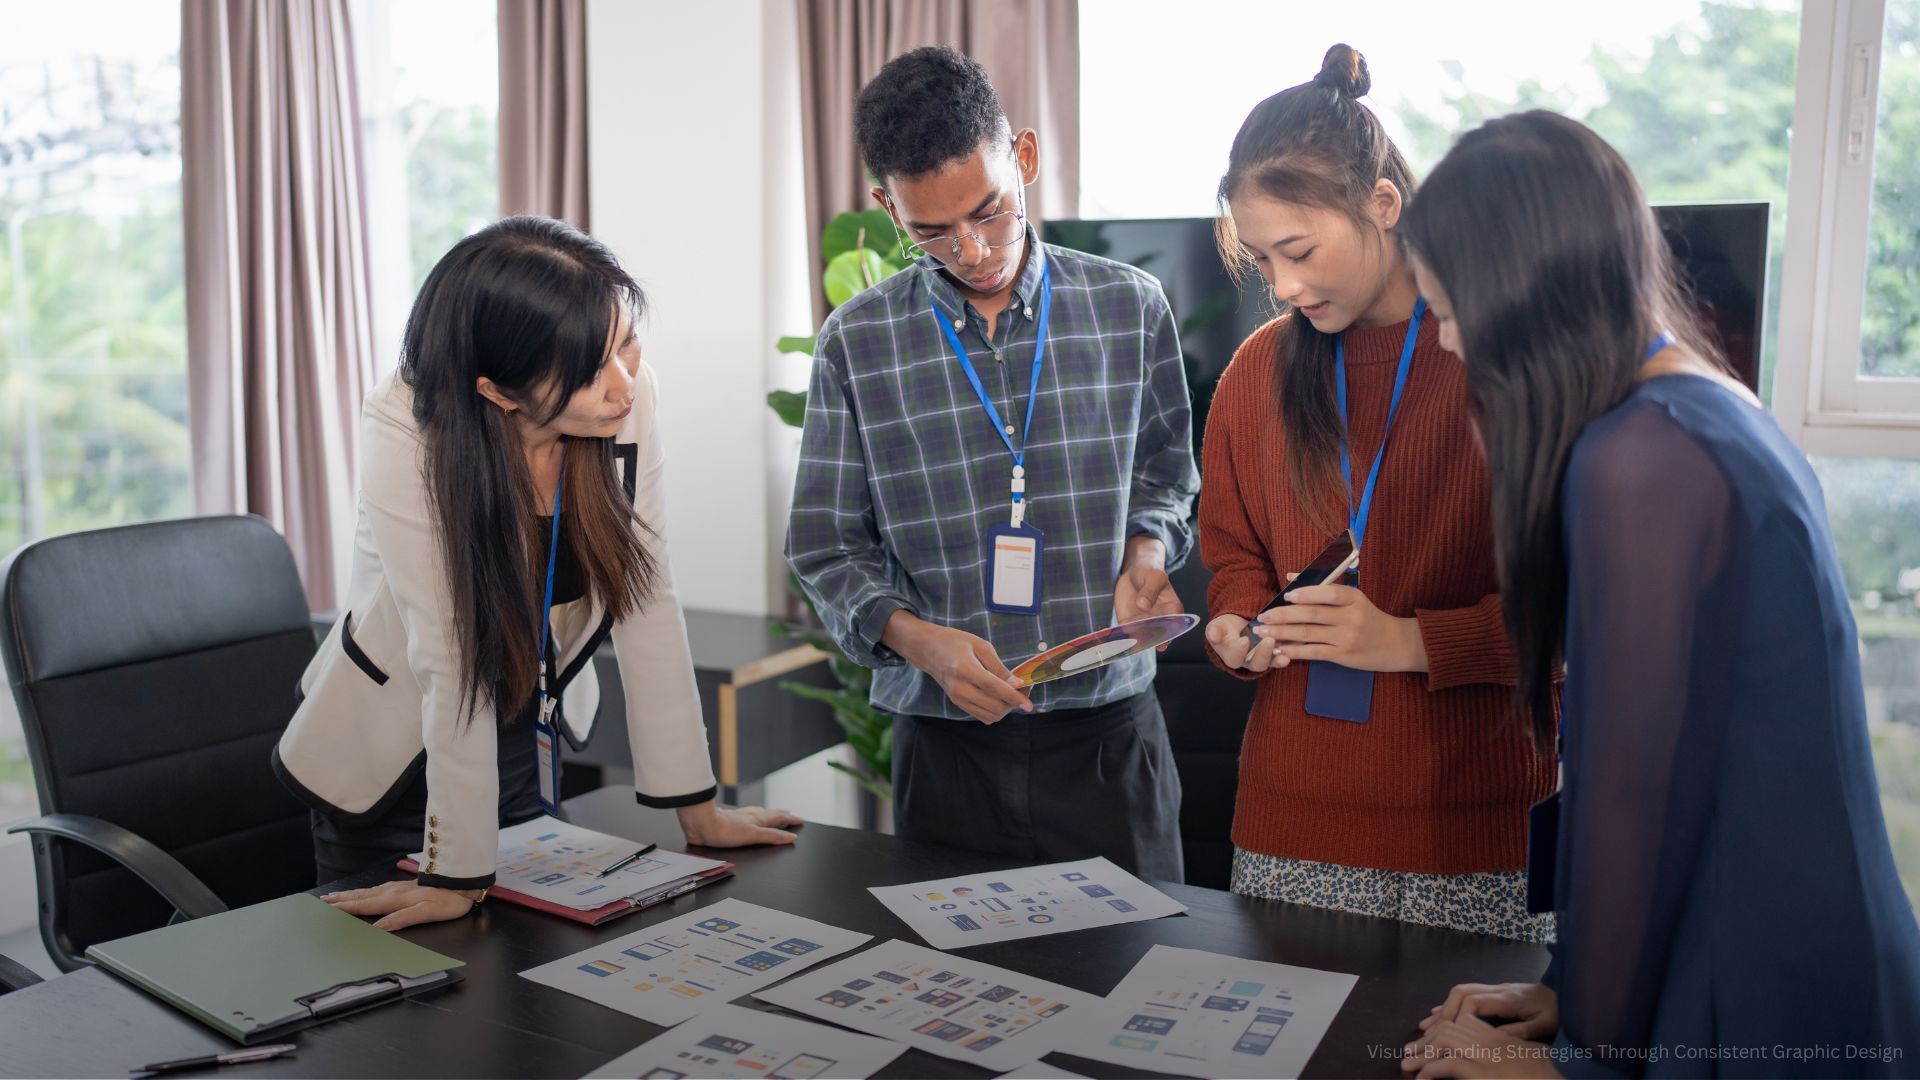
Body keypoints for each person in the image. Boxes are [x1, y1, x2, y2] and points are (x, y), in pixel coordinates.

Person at [1399, 111, 1920, 1078]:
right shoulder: (1697, 404)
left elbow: (1635, 797)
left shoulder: (1640, 460)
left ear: (1522, 297)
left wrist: (1576, 1059)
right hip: (1779, 944)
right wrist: (1570, 989)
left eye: (1450, 308)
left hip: (1762, 988)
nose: (1447, 342)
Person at [273, 216, 800, 930]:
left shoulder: (627, 399)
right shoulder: (406, 423)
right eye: (591, 369)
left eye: (626, 344)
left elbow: (646, 594)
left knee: (528, 979)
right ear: (498, 391)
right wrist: (454, 871)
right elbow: (448, 650)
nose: (624, 383)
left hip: (526, 730)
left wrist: (695, 808)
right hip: (398, 756)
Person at [786, 46, 1199, 880]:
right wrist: (916, 640)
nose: (971, 250)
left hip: (1109, 737)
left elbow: (1165, 477)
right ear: (886, 209)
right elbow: (825, 546)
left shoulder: (1131, 307)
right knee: (957, 1002)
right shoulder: (856, 343)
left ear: (1028, 159)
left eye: (991, 211)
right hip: (947, 752)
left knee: (1142, 986)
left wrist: (1148, 552)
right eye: (931, 231)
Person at [1197, 45, 1555, 941]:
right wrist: (1234, 624)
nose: (1282, 286)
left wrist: (1409, 642)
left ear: (1384, 207)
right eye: (1262, 260)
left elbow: (1577, 615)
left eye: (1299, 251)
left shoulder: (1499, 359)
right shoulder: (1255, 372)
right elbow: (1233, 550)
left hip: (1479, 832)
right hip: (1290, 822)